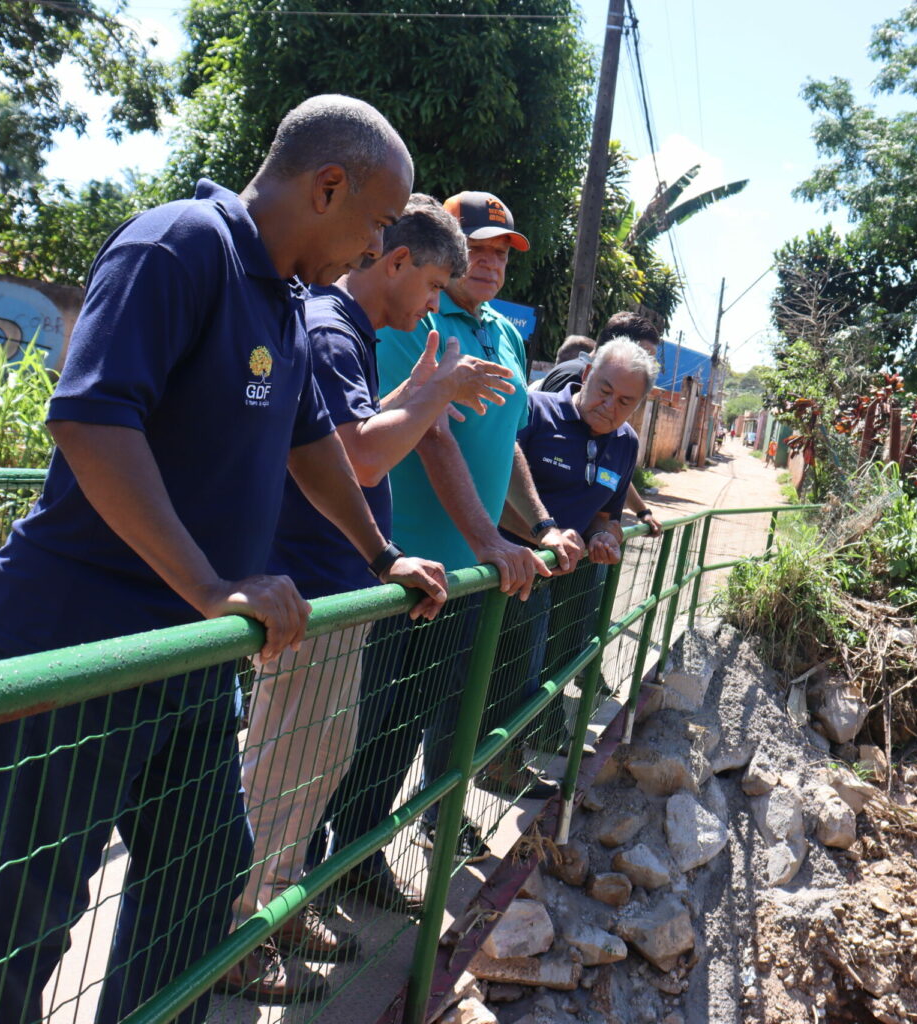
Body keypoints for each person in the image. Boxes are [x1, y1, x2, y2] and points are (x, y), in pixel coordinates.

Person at [0, 95, 449, 1024]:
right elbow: (91, 421)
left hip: (189, 646)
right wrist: (214, 584)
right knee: (24, 921)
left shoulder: (288, 301)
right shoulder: (181, 246)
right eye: (378, 221)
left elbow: (315, 451)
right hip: (85, 645)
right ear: (327, 186)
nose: (374, 245)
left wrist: (382, 554)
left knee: (206, 869)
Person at [228, 195, 514, 999]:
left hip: (332, 589)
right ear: (395, 264)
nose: (431, 305)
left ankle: (277, 904)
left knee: (315, 762)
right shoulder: (328, 329)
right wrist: (433, 397)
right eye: (429, 287)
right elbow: (357, 461)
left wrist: (420, 396)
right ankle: (238, 928)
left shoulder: (352, 334)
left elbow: (350, 437)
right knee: (282, 764)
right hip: (308, 590)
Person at [313, 190, 583, 911]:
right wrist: (488, 538)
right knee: (358, 727)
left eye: (502, 253)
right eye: (480, 249)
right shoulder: (418, 318)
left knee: (414, 722)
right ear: (446, 255)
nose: (491, 263)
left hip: (462, 573)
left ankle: (360, 857)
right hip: (403, 565)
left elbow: (507, 443)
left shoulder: (505, 334)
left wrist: (540, 525)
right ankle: (321, 869)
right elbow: (428, 432)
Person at [500, 340, 657, 732]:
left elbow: (606, 517)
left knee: (537, 675)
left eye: (625, 402)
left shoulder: (626, 444)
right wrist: (544, 534)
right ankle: (488, 771)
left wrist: (604, 537)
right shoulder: (535, 414)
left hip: (559, 580)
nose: (610, 406)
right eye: (604, 391)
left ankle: (513, 758)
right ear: (586, 375)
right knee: (486, 684)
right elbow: (492, 491)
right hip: (499, 571)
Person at [540, 311, 663, 537]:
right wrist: (545, 532)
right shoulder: (570, 379)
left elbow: (610, 472)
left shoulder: (624, 440)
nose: (648, 364)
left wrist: (638, 512)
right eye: (646, 354)